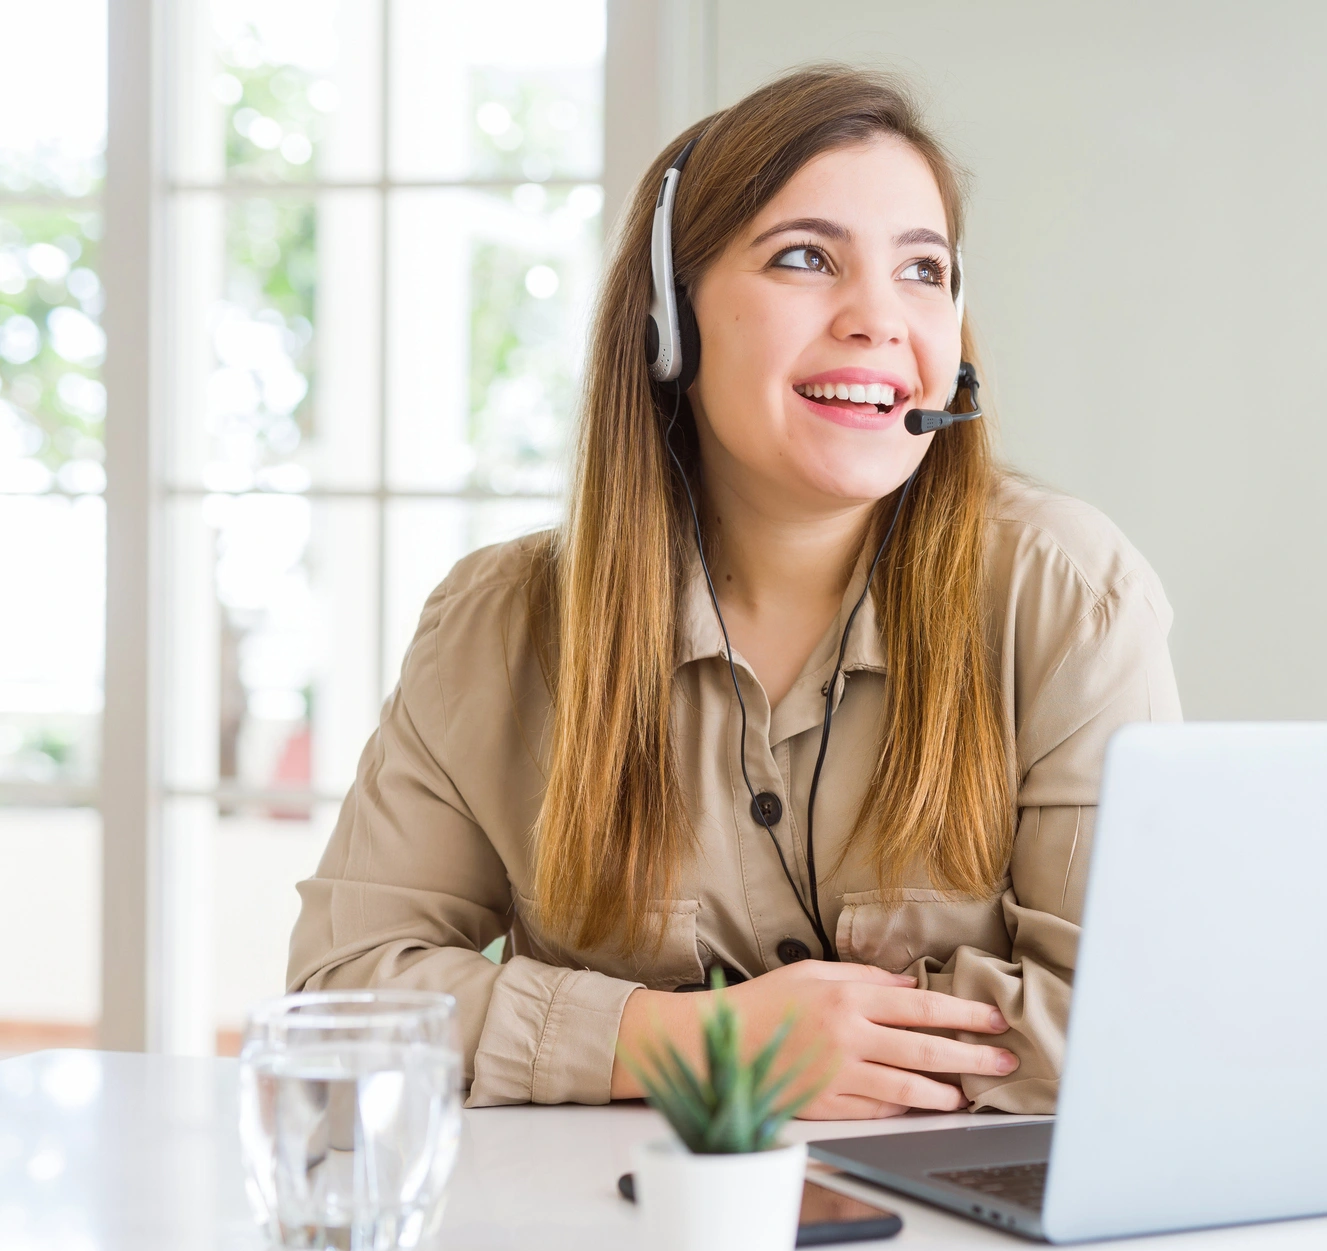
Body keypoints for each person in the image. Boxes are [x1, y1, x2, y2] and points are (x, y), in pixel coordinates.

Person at [287, 66, 1180, 1117]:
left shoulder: (1064, 592)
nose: (877, 318)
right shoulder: (496, 625)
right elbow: (335, 1015)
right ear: (672, 317)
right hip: (599, 1248)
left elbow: (1133, 1021)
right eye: (806, 258)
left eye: (923, 271)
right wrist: (696, 1043)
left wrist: (831, 1049)